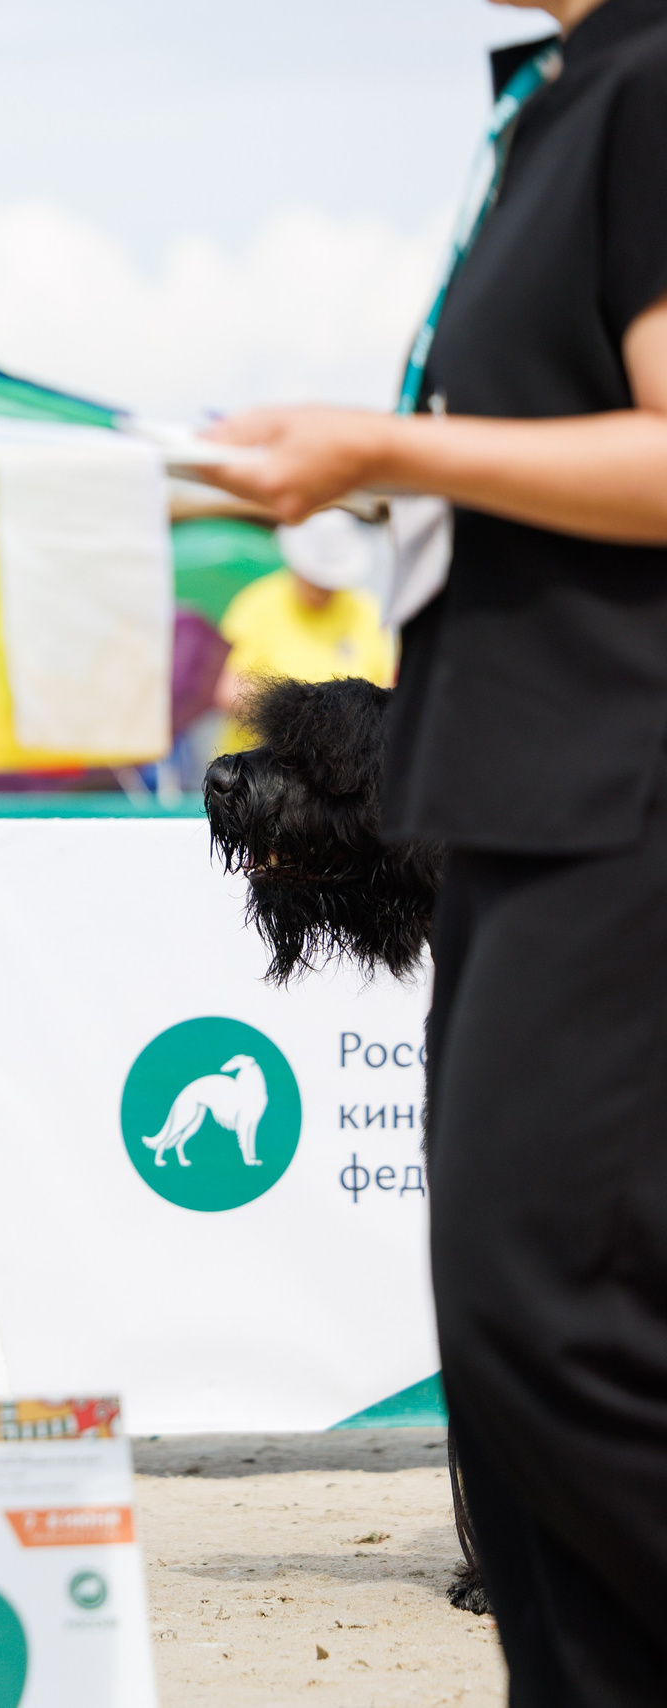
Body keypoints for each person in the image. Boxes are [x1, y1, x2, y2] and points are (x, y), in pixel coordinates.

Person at [197, 1, 667, 1695]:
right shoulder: (556, 104)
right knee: (502, 1327)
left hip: (621, 780)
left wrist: (387, 448)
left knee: (552, 1311)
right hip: (516, 782)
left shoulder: (648, 89)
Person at [212, 511, 394, 750]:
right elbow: (226, 690)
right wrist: (300, 717)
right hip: (259, 765)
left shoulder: (367, 613)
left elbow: (385, 692)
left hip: (335, 770)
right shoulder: (257, 604)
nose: (321, 587)